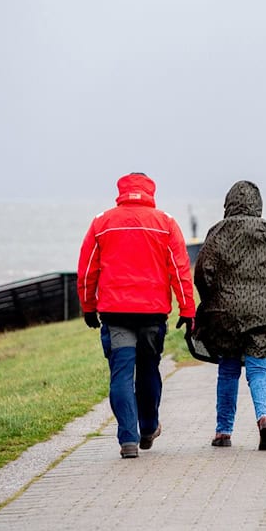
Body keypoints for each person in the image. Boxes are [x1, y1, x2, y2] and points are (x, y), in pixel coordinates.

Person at [77, 172, 196, 459]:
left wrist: (88, 306)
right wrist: (187, 309)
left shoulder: (102, 222)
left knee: (121, 373)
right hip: (152, 314)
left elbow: (87, 270)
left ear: (121, 191)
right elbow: (179, 270)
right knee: (148, 369)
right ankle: (149, 427)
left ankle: (127, 440)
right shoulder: (165, 223)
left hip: (116, 313)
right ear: (150, 191)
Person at [193, 181, 266, 451]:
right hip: (262, 311)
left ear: (228, 203)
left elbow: (202, 272)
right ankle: (265, 419)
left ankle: (223, 431)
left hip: (225, 313)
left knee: (228, 370)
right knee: (258, 369)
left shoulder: (218, 231)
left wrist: (210, 299)